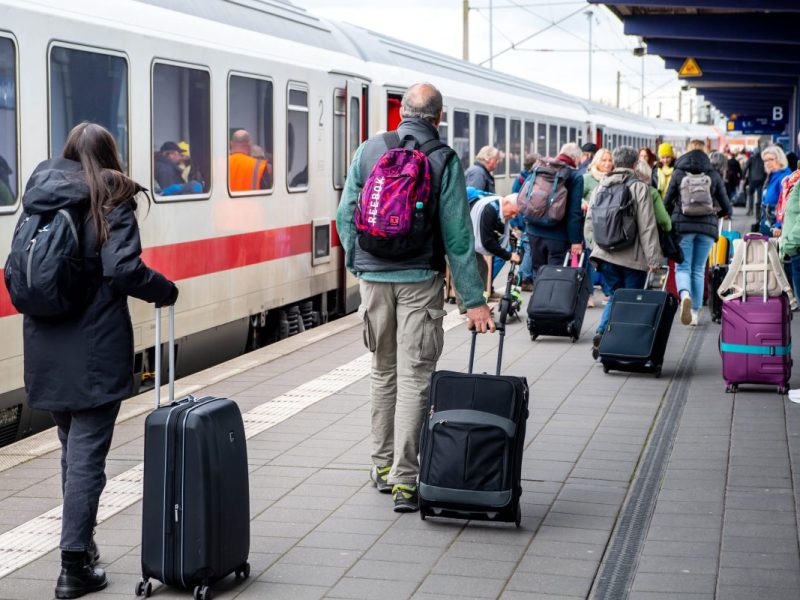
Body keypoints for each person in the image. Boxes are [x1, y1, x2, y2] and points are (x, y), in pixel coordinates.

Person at [20, 123, 178, 598]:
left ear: (67, 153)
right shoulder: (112, 195)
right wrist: (164, 290)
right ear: (112, 154)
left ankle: (82, 547)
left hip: (45, 346)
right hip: (94, 347)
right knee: (87, 459)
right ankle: (73, 566)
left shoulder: (40, 195)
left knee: (73, 453)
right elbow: (122, 268)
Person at [335, 83, 493, 513]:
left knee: (382, 372)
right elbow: (458, 237)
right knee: (414, 378)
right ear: (438, 118)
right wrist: (473, 301)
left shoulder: (368, 150)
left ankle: (382, 468)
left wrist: (359, 263)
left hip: (374, 279)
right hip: (420, 280)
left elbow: (345, 214)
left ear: (402, 112)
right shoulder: (443, 158)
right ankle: (406, 479)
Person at [585, 146, 663, 357]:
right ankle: (625, 345)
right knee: (630, 300)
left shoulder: (601, 185)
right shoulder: (639, 187)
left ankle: (603, 332)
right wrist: (654, 259)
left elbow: (590, 221)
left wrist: (596, 247)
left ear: (614, 163)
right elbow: (647, 225)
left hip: (605, 254)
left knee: (614, 297)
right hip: (632, 258)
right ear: (635, 164)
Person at [663, 139, 732, 326]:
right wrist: (722, 212)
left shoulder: (678, 172)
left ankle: (684, 294)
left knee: (683, 267)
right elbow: (727, 206)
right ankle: (694, 312)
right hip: (707, 228)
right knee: (699, 269)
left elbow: (667, 201)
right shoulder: (713, 173)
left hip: (682, 227)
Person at [525, 143, 584, 275]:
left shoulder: (540, 168)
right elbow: (574, 213)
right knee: (555, 276)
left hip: (534, 231)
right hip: (558, 236)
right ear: (575, 158)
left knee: (538, 273)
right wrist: (575, 241)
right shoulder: (574, 176)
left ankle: (539, 295)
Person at [581, 148, 614, 306]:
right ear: (596, 161)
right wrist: (583, 203)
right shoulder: (587, 178)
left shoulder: (614, 178)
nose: (607, 163)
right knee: (590, 261)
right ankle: (588, 294)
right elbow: (577, 196)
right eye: (604, 160)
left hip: (608, 227)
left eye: (609, 160)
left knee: (606, 261)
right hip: (591, 227)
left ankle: (609, 292)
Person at [511, 153, 538, 290]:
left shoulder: (520, 178)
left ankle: (526, 277)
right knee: (529, 247)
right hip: (526, 219)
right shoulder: (530, 179)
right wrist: (515, 223)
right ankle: (524, 276)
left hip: (522, 219)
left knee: (527, 247)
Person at [760, 145, 792, 237]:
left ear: (780, 159)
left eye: (771, 159)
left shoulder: (785, 177)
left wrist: (778, 225)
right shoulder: (772, 175)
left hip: (776, 226)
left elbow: (786, 202)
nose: (767, 163)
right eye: (765, 160)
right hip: (768, 222)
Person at [634, 159, 672, 233]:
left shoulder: (626, 188)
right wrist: (668, 227)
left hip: (627, 237)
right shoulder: (652, 192)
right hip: (648, 234)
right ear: (647, 174)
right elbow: (663, 219)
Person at [743, 148, 765, 217]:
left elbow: (745, 167)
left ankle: (750, 210)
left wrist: (743, 176)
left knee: (750, 194)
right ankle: (758, 211)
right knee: (759, 195)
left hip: (752, 179)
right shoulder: (763, 159)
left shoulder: (751, 158)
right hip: (761, 180)